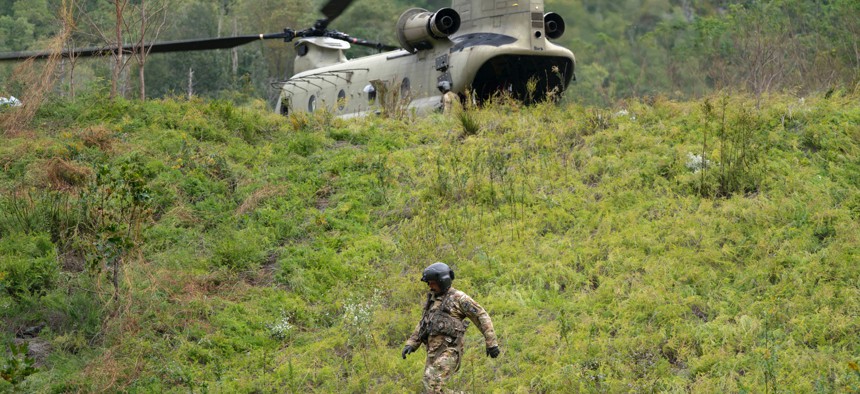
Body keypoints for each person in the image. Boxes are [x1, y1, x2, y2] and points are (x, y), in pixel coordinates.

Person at [402, 262, 500, 393]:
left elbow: (481, 316)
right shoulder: (432, 299)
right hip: (433, 353)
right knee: (431, 389)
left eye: (432, 283)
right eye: (428, 283)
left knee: (432, 382)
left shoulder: (459, 298)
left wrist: (491, 343)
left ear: (443, 281)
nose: (430, 286)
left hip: (450, 351)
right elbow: (424, 323)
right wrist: (412, 343)